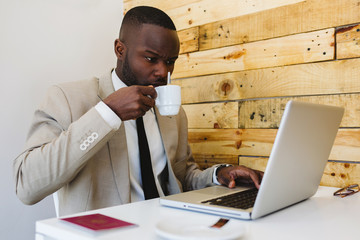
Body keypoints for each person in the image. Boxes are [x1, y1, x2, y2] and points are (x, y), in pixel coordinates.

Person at [13, 6, 263, 216]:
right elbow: (26, 186)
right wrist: (108, 113)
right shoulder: (67, 98)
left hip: (169, 224)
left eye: (170, 61)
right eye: (151, 59)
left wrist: (219, 174)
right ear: (120, 50)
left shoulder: (172, 112)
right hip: (109, 231)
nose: (163, 72)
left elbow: (181, 175)